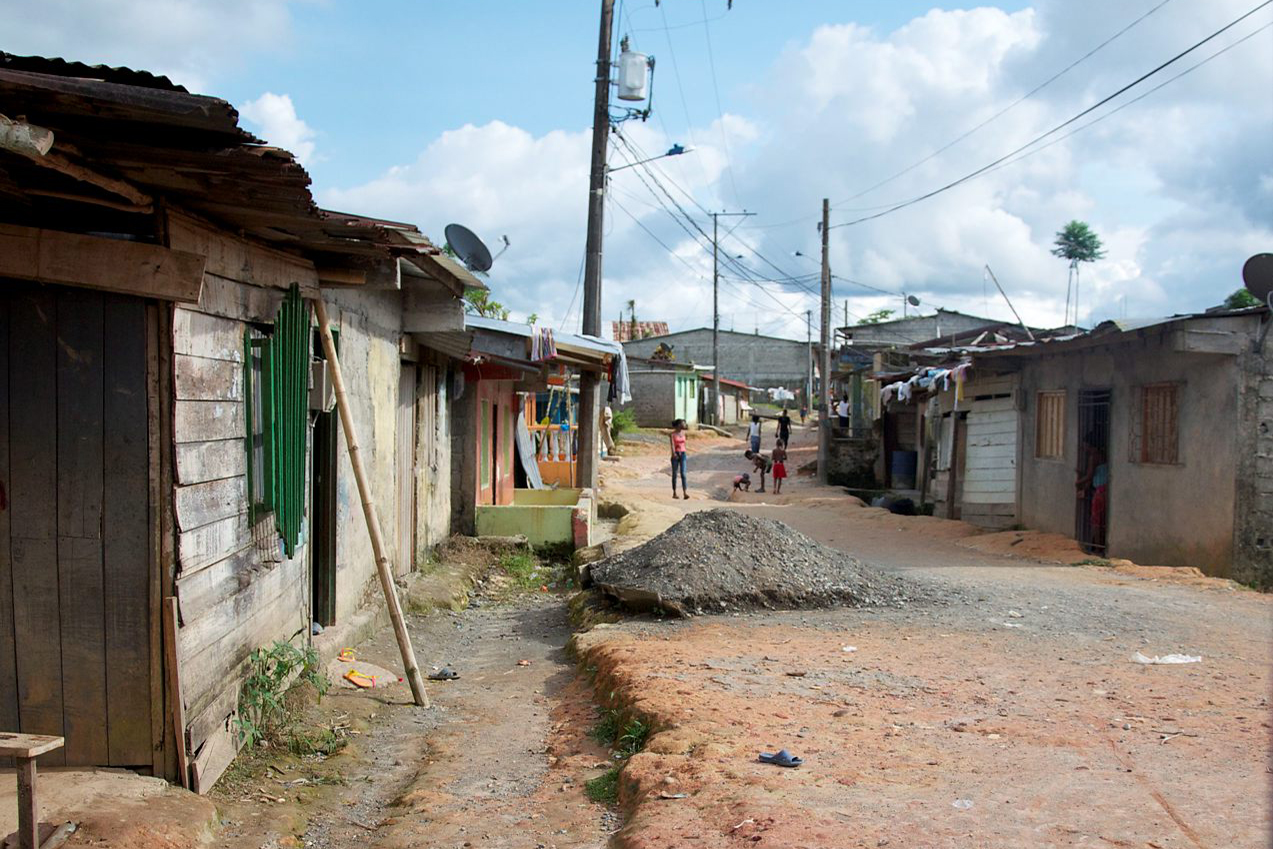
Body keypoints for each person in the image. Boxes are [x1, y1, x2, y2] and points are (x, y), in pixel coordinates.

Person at [1076, 431, 1109, 551]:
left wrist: (1077, 482)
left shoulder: (1093, 456)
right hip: (1106, 490)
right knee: (1103, 520)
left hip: (1100, 492)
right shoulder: (1103, 455)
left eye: (1085, 445)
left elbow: (1090, 476)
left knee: (1096, 521)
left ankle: (1098, 547)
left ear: (1090, 445)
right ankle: (1099, 546)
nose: (1083, 447)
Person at [669, 418, 690, 500]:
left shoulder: (684, 433)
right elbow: (672, 445)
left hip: (683, 454)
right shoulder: (672, 434)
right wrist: (673, 453)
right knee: (674, 474)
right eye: (683, 423)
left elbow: (684, 444)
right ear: (678, 425)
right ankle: (674, 492)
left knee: (683, 474)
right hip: (675, 455)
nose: (684, 425)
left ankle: (685, 492)